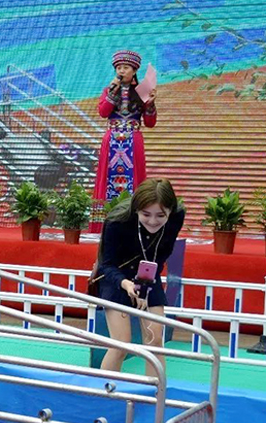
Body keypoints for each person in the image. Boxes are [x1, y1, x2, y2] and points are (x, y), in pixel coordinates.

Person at [92, 178, 185, 375]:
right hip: (117, 277)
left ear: (170, 211)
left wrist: (145, 285)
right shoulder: (117, 222)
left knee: (155, 341)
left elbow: (163, 253)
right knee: (121, 343)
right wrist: (126, 284)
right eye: (146, 214)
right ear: (136, 209)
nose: (153, 221)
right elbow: (107, 265)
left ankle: (155, 390)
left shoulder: (177, 217)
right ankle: (104, 388)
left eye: (161, 215)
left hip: (149, 273)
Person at [91, 50, 158, 234]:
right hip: (112, 139)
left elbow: (150, 123)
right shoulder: (108, 90)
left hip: (133, 141)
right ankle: (104, 226)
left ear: (134, 70)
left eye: (126, 67)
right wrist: (113, 92)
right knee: (107, 179)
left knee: (134, 177)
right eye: (119, 67)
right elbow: (103, 112)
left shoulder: (142, 91)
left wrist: (150, 104)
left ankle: (133, 224)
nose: (121, 71)